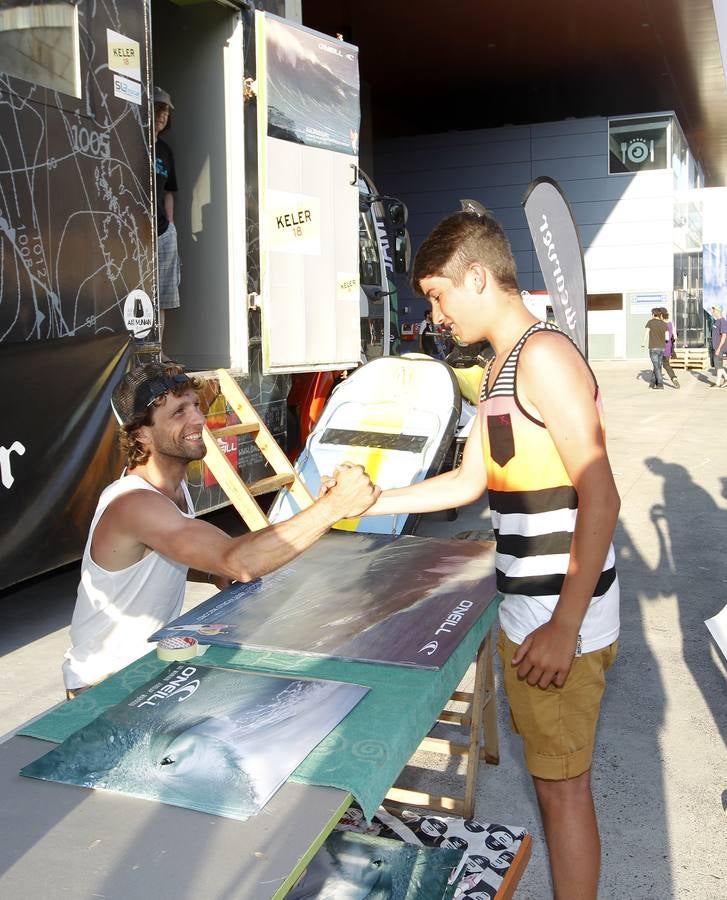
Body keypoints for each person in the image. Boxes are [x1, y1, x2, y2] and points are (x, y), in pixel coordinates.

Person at [365, 210, 620, 900]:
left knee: (562, 791)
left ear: (476, 277)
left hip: (557, 621)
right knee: (551, 781)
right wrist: (367, 501)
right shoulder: (501, 367)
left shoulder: (542, 357)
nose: (434, 312)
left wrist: (563, 625)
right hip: (529, 615)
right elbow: (468, 482)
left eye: (437, 294)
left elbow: (601, 495)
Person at [62, 362, 379, 698]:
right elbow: (238, 561)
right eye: (178, 412)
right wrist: (333, 508)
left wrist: (210, 573)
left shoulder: (172, 489)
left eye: (196, 406)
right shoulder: (136, 504)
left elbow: (158, 560)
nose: (199, 419)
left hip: (144, 672)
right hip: (102, 687)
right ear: (141, 433)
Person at [154, 86, 181, 352]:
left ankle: (158, 351)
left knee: (163, 294)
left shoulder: (165, 151)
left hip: (162, 231)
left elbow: (169, 191)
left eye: (165, 110)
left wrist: (171, 225)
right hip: (134, 229)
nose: (162, 114)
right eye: (157, 108)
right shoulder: (132, 140)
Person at [640, 307, 669, 389]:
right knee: (657, 366)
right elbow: (667, 338)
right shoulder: (664, 324)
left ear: (653, 314)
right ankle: (652, 383)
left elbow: (646, 333)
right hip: (662, 348)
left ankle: (660, 384)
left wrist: (643, 344)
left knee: (656, 366)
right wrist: (664, 343)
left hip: (653, 348)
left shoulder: (650, 322)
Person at [658, 308, 679, 389]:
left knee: (657, 365)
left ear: (661, 315)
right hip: (668, 347)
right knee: (666, 365)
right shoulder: (671, 324)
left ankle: (656, 382)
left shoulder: (661, 324)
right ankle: (674, 377)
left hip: (660, 346)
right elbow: (676, 337)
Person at [709, 303, 727, 388]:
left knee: (718, 366)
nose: (712, 311)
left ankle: (717, 383)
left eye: (714, 309)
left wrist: (719, 348)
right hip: (714, 347)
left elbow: (724, 336)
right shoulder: (716, 321)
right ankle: (725, 380)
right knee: (717, 366)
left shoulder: (722, 321)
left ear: (718, 311)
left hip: (719, 348)